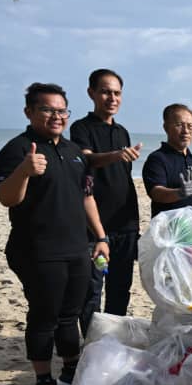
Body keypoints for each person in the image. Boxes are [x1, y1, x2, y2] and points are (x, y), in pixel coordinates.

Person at [0, 83, 110, 385]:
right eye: (47, 109)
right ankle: (43, 381)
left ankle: (70, 371)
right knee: (45, 316)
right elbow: (7, 198)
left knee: (70, 315)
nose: (56, 116)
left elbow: (86, 197)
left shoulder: (74, 151)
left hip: (77, 247)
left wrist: (100, 237)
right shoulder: (18, 150)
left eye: (61, 110)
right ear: (29, 112)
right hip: (37, 250)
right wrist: (24, 171)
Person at [69, 69, 142, 337]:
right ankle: (91, 344)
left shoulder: (121, 131)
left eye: (117, 93)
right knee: (91, 292)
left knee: (120, 290)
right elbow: (86, 160)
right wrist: (116, 155)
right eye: (105, 91)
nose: (112, 98)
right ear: (91, 93)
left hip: (126, 224)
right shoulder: (81, 128)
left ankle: (113, 343)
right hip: (95, 226)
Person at [143, 103, 192, 217]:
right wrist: (180, 193)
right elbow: (156, 193)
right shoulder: (157, 159)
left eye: (190, 126)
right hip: (173, 229)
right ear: (166, 127)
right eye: (179, 125)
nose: (186, 131)